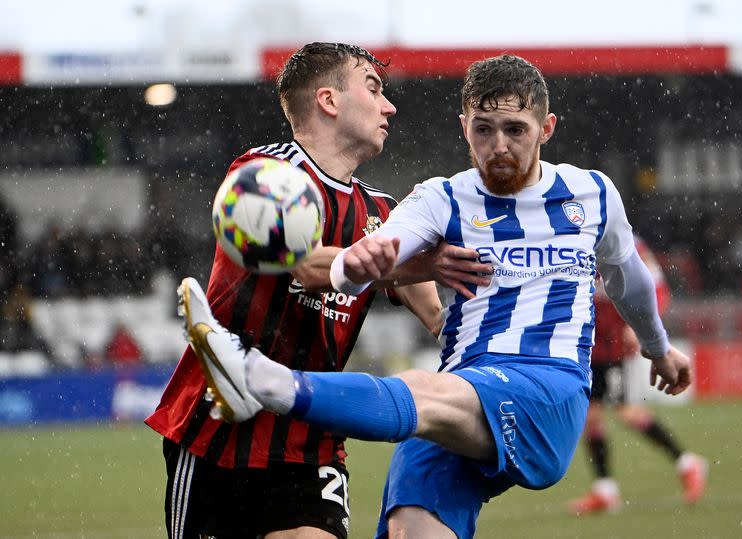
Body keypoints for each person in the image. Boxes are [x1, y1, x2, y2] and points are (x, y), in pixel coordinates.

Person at [179, 54, 693, 539]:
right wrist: (354, 266)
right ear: (463, 126)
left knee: (421, 390)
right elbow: (376, 251)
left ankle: (257, 379)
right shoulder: (439, 197)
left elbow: (629, 278)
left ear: (547, 128)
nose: (499, 146)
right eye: (483, 130)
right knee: (410, 523)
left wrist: (658, 347)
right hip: (459, 392)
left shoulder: (593, 193)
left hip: (545, 388)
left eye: (516, 130)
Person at [145, 42, 488, 539]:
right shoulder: (265, 172)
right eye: (373, 89)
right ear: (329, 100)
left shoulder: (382, 213)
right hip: (217, 431)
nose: (389, 105)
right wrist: (408, 262)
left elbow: (439, 318)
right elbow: (304, 265)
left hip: (311, 437)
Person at [567, 235, 707, 515]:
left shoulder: (628, 242)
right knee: (591, 414)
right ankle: (606, 491)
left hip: (614, 345)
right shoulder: (572, 236)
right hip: (588, 343)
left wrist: (639, 324)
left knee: (625, 411)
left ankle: (687, 462)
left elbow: (655, 287)